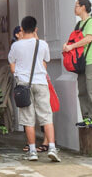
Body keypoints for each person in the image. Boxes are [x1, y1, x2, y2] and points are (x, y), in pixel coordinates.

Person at [8, 16, 60, 162]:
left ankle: (32, 151)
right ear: (36, 29)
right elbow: (46, 60)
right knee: (46, 116)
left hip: (24, 85)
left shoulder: (16, 46)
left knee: (28, 118)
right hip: (41, 83)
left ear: (22, 29)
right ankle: (52, 148)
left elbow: (12, 62)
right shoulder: (42, 44)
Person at [63, 0, 92, 130]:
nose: (75, 8)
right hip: (81, 62)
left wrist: (72, 46)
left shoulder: (91, 22)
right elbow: (75, 39)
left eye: (77, 6)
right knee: (82, 91)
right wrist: (67, 45)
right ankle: (87, 118)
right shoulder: (79, 24)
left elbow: (88, 39)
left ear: (84, 7)